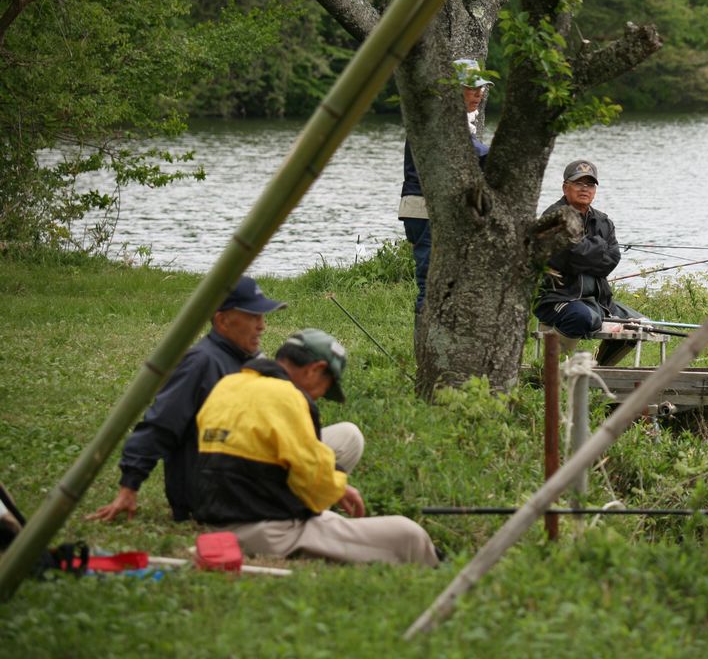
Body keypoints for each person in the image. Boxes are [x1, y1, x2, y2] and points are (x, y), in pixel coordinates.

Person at [193, 329, 439, 567]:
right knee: (407, 534)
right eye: (326, 386)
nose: (320, 397)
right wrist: (338, 486)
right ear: (316, 370)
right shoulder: (289, 398)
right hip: (267, 531)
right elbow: (314, 485)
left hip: (217, 515)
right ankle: (441, 573)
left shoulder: (229, 383)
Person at [87, 276, 295, 523]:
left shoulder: (246, 359)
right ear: (221, 320)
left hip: (242, 470)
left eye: (262, 317)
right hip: (210, 490)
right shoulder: (200, 362)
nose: (262, 326)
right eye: (253, 317)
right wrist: (129, 487)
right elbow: (160, 424)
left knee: (345, 439)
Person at [398, 57, 492, 316]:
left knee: (446, 285)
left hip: (434, 208)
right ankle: (425, 353)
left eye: (481, 87)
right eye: (472, 87)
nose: (479, 93)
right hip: (426, 209)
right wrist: (503, 156)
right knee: (430, 285)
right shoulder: (437, 116)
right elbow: (471, 152)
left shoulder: (452, 117)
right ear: (452, 89)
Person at [534, 159, 641, 351]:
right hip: (558, 297)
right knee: (581, 318)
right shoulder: (554, 216)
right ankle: (549, 372)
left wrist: (582, 254)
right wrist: (599, 246)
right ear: (565, 187)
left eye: (590, 184)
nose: (585, 189)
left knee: (641, 326)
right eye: (578, 183)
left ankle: (599, 372)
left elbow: (610, 261)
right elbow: (569, 257)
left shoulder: (603, 221)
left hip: (598, 301)